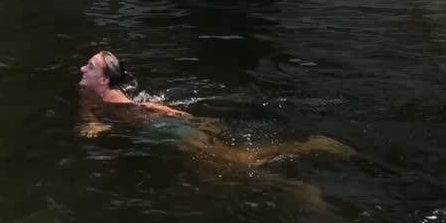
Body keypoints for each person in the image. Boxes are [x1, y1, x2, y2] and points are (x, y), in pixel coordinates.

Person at [77, 51, 355, 167]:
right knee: (224, 165)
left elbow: (141, 105)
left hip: (169, 131)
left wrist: (173, 114)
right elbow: (91, 106)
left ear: (104, 80)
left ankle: (313, 145)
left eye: (89, 66)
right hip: (164, 132)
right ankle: (310, 148)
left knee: (240, 161)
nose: (82, 68)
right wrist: (90, 119)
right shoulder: (93, 91)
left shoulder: (112, 98)